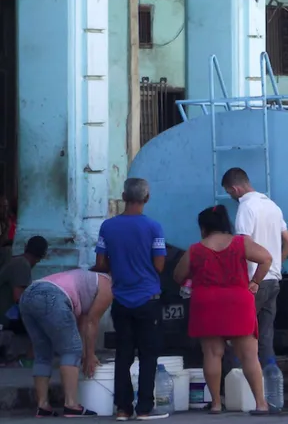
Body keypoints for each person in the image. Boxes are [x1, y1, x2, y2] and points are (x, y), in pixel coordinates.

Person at [173, 205, 276, 415]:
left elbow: (177, 276)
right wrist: (255, 282)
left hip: (206, 302)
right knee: (249, 355)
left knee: (212, 353)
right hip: (238, 300)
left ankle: (216, 404)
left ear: (203, 228)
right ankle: (260, 403)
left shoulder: (195, 249)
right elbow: (266, 258)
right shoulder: (240, 243)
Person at [91, 178, 169, 420]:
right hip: (148, 298)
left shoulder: (108, 227)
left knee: (123, 354)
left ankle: (123, 408)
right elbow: (159, 265)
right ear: (146, 198)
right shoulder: (154, 227)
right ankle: (144, 407)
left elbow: (101, 264)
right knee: (148, 354)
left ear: (124, 197)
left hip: (121, 299)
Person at [221, 168, 288, 363]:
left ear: (235, 189)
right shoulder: (272, 206)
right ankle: (270, 381)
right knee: (265, 337)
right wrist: (277, 264)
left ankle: (238, 383)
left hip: (254, 281)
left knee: (237, 334)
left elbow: (242, 245)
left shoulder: (246, 208)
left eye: (229, 193)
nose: (231, 197)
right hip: (273, 281)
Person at [18, 268, 113, 417]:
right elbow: (92, 322)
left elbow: (83, 323)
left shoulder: (89, 280)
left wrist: (86, 352)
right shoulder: (108, 286)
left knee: (43, 354)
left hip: (28, 295)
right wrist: (89, 354)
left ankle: (43, 406)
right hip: (51, 296)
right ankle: (71, 404)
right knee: (71, 350)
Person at [0, 236, 48, 333]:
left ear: (26, 247)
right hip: (6, 318)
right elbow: (19, 298)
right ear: (43, 255)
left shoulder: (18, 261)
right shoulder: (22, 264)